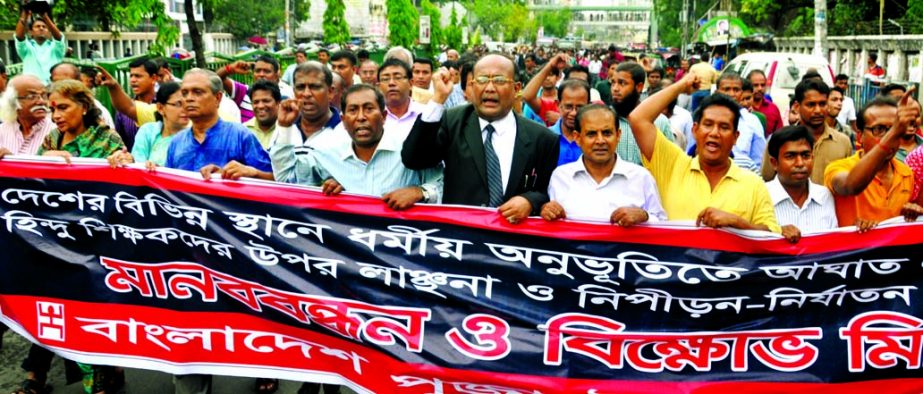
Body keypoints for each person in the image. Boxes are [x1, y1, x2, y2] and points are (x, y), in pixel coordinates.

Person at [403, 54, 559, 224]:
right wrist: (438, 99)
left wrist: (530, 201)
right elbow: (414, 160)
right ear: (471, 85)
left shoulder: (543, 138)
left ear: (516, 88)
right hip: (460, 238)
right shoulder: (453, 121)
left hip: (512, 242)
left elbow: (546, 192)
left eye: (499, 80)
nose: (490, 88)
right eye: (482, 80)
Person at [627, 73, 780, 233]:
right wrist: (681, 86)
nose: (715, 133)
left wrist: (736, 222)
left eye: (724, 127)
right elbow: (638, 118)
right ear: (694, 130)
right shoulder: (672, 165)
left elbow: (771, 237)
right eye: (708, 124)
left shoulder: (753, 184)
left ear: (735, 137)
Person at [272, 83, 443, 210]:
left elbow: (444, 184)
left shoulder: (409, 149)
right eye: (353, 110)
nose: (361, 117)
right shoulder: (328, 152)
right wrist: (285, 127)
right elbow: (287, 179)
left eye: (369, 109)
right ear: (343, 120)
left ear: (383, 116)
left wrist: (420, 192)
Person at [543, 104, 667, 225]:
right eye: (591, 134)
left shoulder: (641, 177)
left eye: (607, 133)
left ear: (618, 135)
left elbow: (663, 224)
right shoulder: (560, 177)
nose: (600, 141)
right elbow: (551, 222)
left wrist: (644, 217)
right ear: (577, 138)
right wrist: (547, 210)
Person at [824, 93, 918, 230]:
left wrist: (912, 212)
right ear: (860, 136)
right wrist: (893, 133)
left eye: (893, 130)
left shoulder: (906, 173)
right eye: (878, 129)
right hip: (852, 251)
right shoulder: (838, 168)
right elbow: (850, 186)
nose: (888, 137)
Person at [163, 68, 272, 180]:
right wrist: (153, 171)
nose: (189, 98)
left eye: (197, 92)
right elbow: (167, 184)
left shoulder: (240, 136)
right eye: (185, 93)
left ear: (217, 98)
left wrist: (251, 172)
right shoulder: (177, 142)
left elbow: (276, 181)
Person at [761, 79, 851, 184]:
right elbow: (767, 179)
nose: (818, 110)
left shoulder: (843, 142)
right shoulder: (779, 140)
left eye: (822, 104)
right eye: (811, 105)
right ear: (797, 106)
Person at [270, 61, 344, 183]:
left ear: (330, 92)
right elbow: (281, 179)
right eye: (300, 87)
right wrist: (284, 127)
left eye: (315, 87)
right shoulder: (285, 128)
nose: (306, 94)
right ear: (293, 91)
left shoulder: (344, 131)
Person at [765, 125, 838, 243]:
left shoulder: (824, 196)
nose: (800, 163)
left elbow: (834, 244)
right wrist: (776, 232)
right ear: (774, 163)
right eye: (790, 156)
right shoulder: (761, 197)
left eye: (805, 156)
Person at [107, 81, 187, 167]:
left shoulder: (192, 138)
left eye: (188, 104)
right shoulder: (147, 131)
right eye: (178, 104)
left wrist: (162, 170)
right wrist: (127, 159)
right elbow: (138, 166)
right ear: (160, 108)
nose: (185, 109)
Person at [610, 62, 675, 165]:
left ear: (639, 87)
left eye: (622, 83)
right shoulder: (604, 120)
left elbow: (671, 161)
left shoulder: (660, 122)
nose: (615, 88)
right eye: (613, 83)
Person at [97, 58, 159, 151]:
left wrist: (114, 86)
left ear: (153, 78)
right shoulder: (122, 111)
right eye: (131, 76)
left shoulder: (164, 106)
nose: (133, 80)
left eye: (138, 76)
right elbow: (120, 144)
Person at [713, 71, 766, 172]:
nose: (732, 94)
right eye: (727, 89)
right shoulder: (705, 118)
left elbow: (759, 162)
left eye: (736, 90)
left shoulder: (752, 121)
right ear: (717, 92)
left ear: (741, 93)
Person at [219, 55, 294, 123]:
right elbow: (217, 80)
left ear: (276, 75)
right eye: (258, 71)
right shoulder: (243, 92)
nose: (261, 74)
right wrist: (230, 68)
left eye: (267, 71)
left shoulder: (284, 99)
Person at [49, 62, 115, 129]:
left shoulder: (100, 112)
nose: (55, 116)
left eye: (63, 108)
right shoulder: (52, 135)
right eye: (56, 83)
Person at [0, 75, 53, 155]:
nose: (41, 101)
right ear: (13, 101)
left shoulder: (56, 130)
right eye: (31, 96)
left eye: (44, 96)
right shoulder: (2, 131)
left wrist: (12, 160)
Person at [15, 8, 65, 84]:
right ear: (31, 32)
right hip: (32, 89)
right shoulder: (26, 49)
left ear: (49, 32)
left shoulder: (56, 49)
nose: (41, 28)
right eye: (37, 26)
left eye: (44, 27)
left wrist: (45, 17)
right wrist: (24, 13)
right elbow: (19, 37)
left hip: (52, 88)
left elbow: (59, 38)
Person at [550, 79, 591, 166]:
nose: (573, 113)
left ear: (589, 106)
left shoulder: (595, 141)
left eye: (580, 107)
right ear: (558, 105)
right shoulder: (546, 138)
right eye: (568, 107)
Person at [522, 53, 564, 126]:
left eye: (551, 75)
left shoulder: (564, 97)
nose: (547, 78)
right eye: (545, 76)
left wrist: (560, 120)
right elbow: (526, 123)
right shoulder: (532, 100)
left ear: (558, 77)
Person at [243, 80, 281, 149]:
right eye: (256, 102)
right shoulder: (244, 130)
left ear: (278, 103)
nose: (260, 106)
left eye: (266, 101)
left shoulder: (287, 130)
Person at [747, 69, 783, 135]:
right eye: (755, 85)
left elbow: (780, 135)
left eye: (763, 85)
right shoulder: (742, 109)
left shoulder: (773, 108)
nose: (760, 88)